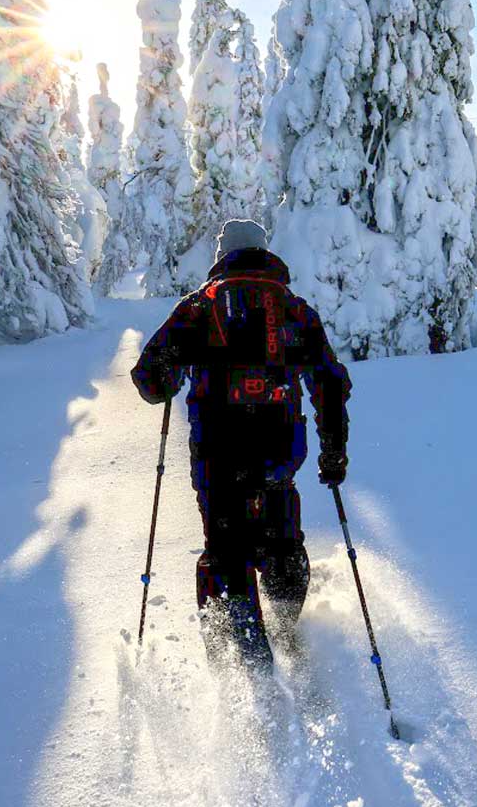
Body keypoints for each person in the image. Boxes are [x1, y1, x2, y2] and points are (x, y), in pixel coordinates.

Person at [132, 219, 351, 663]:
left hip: (218, 454)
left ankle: (244, 658)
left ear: (221, 256)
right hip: (279, 453)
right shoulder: (294, 308)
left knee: (226, 548)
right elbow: (330, 383)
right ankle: (289, 628)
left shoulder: (197, 308)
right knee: (282, 538)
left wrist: (173, 375)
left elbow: (150, 380)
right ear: (264, 253)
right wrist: (334, 450)